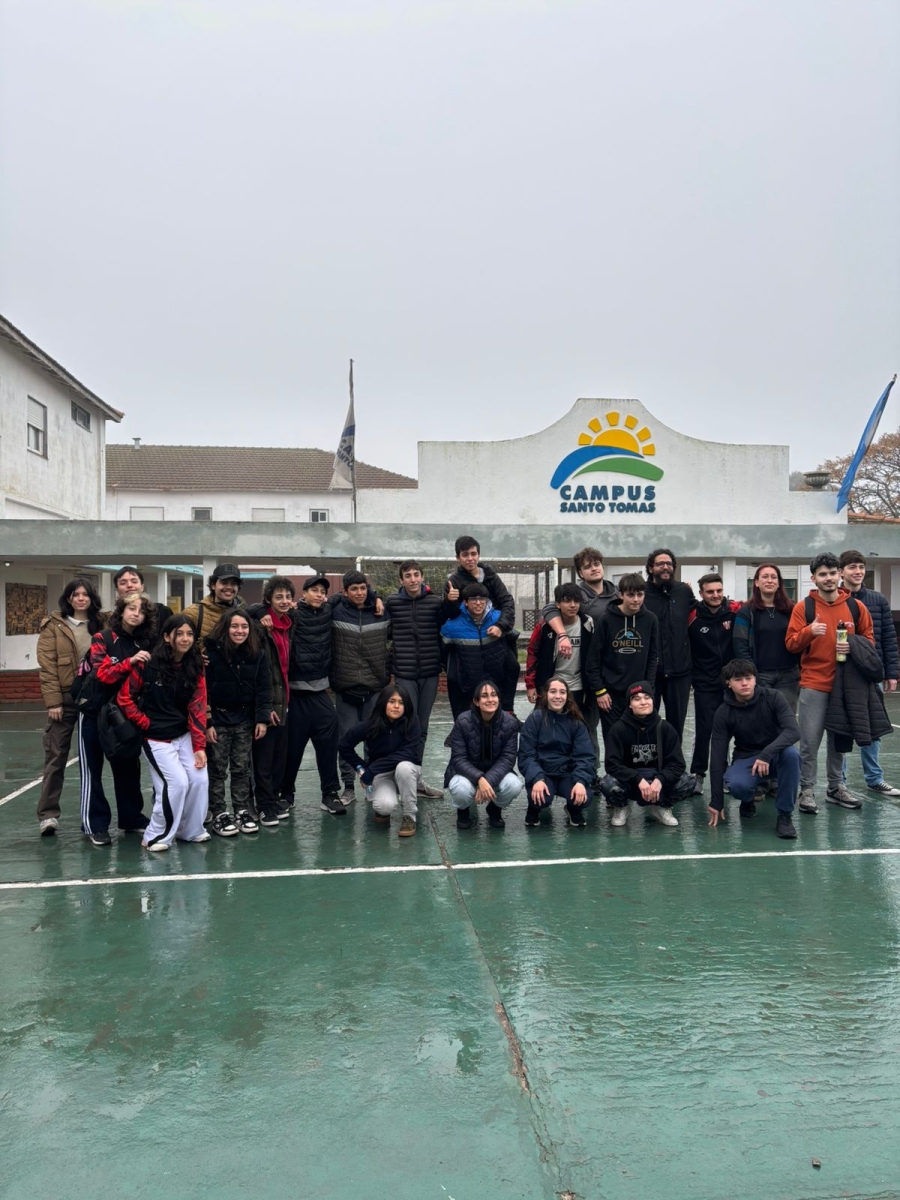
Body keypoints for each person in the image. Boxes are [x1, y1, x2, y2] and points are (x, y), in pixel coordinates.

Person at [785, 552, 875, 814]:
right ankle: (807, 790)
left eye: (832, 573)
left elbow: (870, 641)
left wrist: (853, 646)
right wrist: (809, 631)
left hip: (846, 687)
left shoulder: (856, 607)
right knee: (809, 742)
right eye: (822, 574)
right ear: (814, 578)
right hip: (814, 684)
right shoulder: (804, 608)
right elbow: (791, 644)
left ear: (839, 575)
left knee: (839, 741)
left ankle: (836, 787)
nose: (828, 578)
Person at [117, 614, 209, 851]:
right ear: (167, 637)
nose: (185, 638)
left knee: (199, 780)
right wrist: (145, 723)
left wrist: (199, 747)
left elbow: (198, 707)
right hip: (156, 738)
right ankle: (155, 836)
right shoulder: (148, 664)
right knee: (176, 783)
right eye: (180, 634)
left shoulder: (195, 665)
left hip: (183, 735)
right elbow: (125, 698)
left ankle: (190, 831)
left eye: (190, 634)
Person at [76, 594, 155, 845]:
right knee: (92, 770)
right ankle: (95, 824)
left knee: (128, 767)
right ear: (121, 611)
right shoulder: (103, 638)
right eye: (131, 608)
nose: (136, 613)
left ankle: (131, 818)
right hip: (93, 712)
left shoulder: (145, 642)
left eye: (141, 611)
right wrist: (130, 661)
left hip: (124, 714)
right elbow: (102, 674)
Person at [266, 576, 344, 817]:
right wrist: (260, 611)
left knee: (328, 745)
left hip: (320, 692)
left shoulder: (329, 609)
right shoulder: (293, 613)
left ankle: (330, 793)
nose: (319, 594)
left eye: (322, 591)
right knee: (292, 749)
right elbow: (261, 609)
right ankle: (286, 794)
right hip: (295, 693)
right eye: (314, 590)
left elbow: (352, 596)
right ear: (304, 594)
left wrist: (375, 598)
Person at [36, 578, 104, 837]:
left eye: (85, 594)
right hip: (64, 701)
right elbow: (47, 667)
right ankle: (48, 815)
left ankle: (95, 815)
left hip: (95, 700)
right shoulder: (53, 627)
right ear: (68, 598)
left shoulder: (103, 623)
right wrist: (53, 701)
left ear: (92, 598)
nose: (81, 598)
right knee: (56, 757)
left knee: (95, 759)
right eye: (75, 594)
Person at [707, 659, 801, 839]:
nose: (744, 683)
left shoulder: (773, 697)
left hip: (775, 755)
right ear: (728, 683)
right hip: (746, 757)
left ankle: (785, 816)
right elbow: (717, 757)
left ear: (755, 679)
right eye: (738, 679)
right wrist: (716, 801)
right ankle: (747, 798)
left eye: (748, 678)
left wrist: (766, 754)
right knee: (737, 785)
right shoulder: (723, 712)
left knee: (792, 755)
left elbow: (793, 731)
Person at [204, 609, 273, 836]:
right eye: (234, 626)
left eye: (244, 627)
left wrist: (262, 719)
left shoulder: (257, 653)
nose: (240, 631)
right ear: (225, 628)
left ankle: (242, 810)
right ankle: (219, 812)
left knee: (242, 768)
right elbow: (203, 691)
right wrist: (208, 722)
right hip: (218, 720)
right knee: (217, 769)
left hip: (244, 720)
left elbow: (264, 687)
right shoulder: (210, 654)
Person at [839, 549, 900, 797]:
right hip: (842, 673)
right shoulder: (833, 599)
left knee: (873, 726)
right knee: (841, 727)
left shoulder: (878, 600)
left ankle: (875, 778)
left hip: (871, 673)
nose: (858, 571)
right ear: (841, 571)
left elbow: (888, 638)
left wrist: (891, 673)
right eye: (852, 567)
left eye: (861, 567)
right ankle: (839, 781)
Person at [384, 560, 445, 798]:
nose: (412, 579)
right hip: (404, 674)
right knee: (404, 725)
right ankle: (398, 779)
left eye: (416, 574)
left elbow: (449, 621)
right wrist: (374, 597)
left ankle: (416, 780)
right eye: (407, 575)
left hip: (429, 674)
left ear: (422, 577)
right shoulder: (392, 602)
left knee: (422, 728)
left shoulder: (435, 602)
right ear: (401, 580)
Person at [332, 570, 392, 806]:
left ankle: (372, 782)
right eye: (354, 589)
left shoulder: (381, 611)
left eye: (363, 588)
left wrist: (386, 671)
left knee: (374, 739)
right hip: (345, 688)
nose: (359, 593)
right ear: (345, 592)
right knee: (346, 740)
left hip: (374, 687)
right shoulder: (335, 611)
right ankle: (348, 787)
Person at [444, 536, 520, 711]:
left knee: (512, 667)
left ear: (478, 555)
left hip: (493, 634)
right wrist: (450, 601)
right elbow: (449, 614)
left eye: (473, 554)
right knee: (456, 678)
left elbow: (507, 601)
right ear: (458, 558)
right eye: (465, 555)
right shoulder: (454, 582)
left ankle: (507, 710)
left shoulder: (491, 576)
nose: (470, 558)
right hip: (468, 637)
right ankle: (463, 718)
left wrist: (501, 626)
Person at [338, 683, 422, 837]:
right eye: (392, 701)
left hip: (406, 771)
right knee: (384, 806)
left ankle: (409, 816)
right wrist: (361, 769)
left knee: (403, 767)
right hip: (382, 774)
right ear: (383, 703)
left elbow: (408, 753)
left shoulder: (412, 721)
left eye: (401, 702)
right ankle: (383, 809)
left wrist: (371, 770)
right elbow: (344, 745)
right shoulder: (370, 724)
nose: (396, 706)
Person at [584, 572, 660, 742]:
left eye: (640, 594)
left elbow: (652, 658)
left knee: (637, 743)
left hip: (638, 694)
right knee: (614, 742)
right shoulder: (606, 619)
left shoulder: (651, 619)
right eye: (631, 595)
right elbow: (593, 659)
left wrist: (648, 690)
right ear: (621, 595)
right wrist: (600, 691)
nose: (636, 599)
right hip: (610, 696)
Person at [603, 680, 685, 827]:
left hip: (657, 779)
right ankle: (622, 806)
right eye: (637, 699)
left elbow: (677, 764)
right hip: (631, 782)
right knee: (607, 783)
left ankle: (662, 806)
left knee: (687, 781)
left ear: (653, 701)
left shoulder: (665, 728)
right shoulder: (618, 729)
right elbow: (612, 764)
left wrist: (660, 780)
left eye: (647, 698)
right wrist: (637, 779)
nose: (643, 702)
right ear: (629, 704)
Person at [518, 677, 595, 828]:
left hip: (567, 773)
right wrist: (537, 778)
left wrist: (580, 781)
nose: (558, 696)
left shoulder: (576, 723)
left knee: (585, 797)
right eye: (553, 692)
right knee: (540, 799)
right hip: (543, 772)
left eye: (562, 692)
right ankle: (533, 808)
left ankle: (573, 809)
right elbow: (526, 754)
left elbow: (585, 756)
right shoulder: (535, 719)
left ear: (567, 696)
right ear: (546, 695)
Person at [687, 573, 741, 791]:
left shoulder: (734, 611)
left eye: (719, 590)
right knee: (704, 729)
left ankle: (727, 773)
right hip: (704, 683)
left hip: (731, 682)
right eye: (710, 592)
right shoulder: (692, 615)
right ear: (701, 594)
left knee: (732, 728)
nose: (715, 595)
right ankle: (698, 774)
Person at [447, 679, 523, 829]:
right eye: (484, 696)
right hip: (467, 773)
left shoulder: (510, 723)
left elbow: (508, 759)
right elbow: (459, 759)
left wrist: (487, 780)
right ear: (476, 701)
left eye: (494, 695)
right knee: (460, 789)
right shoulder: (462, 721)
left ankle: (495, 809)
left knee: (514, 785)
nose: (490, 699)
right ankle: (463, 810)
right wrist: (479, 778)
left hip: (495, 773)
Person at [252, 575, 295, 823]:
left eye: (288, 596)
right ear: (268, 599)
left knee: (280, 755)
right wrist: (265, 707)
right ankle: (264, 804)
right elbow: (259, 672)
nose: (284, 601)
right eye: (278, 597)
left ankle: (273, 798)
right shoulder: (260, 627)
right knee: (264, 758)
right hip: (268, 701)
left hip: (285, 699)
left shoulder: (289, 623)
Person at [642, 549, 695, 738]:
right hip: (650, 672)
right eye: (660, 564)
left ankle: (675, 758)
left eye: (669, 564)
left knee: (676, 727)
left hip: (680, 671)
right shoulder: (641, 593)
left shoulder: (683, 591)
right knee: (645, 723)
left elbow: (700, 614)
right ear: (650, 568)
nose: (665, 567)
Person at [442, 583, 516, 719]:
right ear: (465, 602)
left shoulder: (499, 619)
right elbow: (444, 652)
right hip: (468, 688)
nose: (478, 603)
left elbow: (511, 644)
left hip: (496, 684)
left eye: (482, 599)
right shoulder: (452, 626)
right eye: (473, 599)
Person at [732, 564, 800, 710]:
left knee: (786, 718)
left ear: (779, 583)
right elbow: (740, 646)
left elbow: (800, 639)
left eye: (774, 577)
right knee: (762, 718)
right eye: (765, 577)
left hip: (789, 676)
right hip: (760, 675)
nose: (770, 580)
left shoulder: (792, 610)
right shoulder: (746, 612)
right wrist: (752, 674)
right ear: (756, 582)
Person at [525, 583, 595, 715]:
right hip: (550, 685)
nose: (573, 605)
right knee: (543, 723)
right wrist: (531, 685)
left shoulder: (588, 623)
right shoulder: (544, 626)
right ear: (557, 604)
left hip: (578, 686)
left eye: (576, 601)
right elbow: (532, 654)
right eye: (567, 601)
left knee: (576, 724)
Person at [182, 563, 246, 646]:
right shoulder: (193, 613)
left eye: (233, 584)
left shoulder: (244, 614)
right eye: (224, 582)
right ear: (213, 585)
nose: (229, 587)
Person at [105, 566, 173, 640]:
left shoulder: (161, 611)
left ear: (142, 587)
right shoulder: (112, 619)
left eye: (134, 581)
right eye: (123, 583)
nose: (129, 585)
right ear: (117, 590)